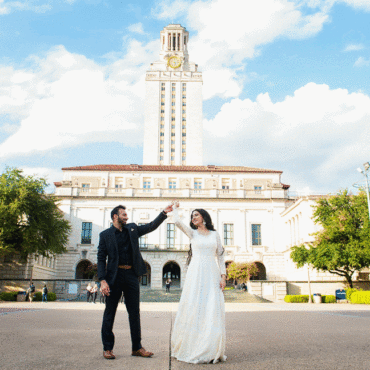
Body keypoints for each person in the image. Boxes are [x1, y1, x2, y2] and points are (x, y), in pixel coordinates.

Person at [98, 203, 173, 360]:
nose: (127, 217)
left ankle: (137, 348)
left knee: (134, 313)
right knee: (109, 312)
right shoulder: (105, 235)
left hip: (131, 275)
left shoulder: (132, 229)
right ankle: (107, 348)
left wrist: (164, 213)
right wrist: (102, 280)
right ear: (115, 217)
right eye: (123, 215)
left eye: (126, 215)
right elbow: (100, 258)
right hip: (114, 277)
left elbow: (151, 226)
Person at [170, 202, 227, 364]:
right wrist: (175, 209)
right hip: (196, 273)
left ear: (204, 217)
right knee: (195, 306)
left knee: (211, 307)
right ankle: (193, 346)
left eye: (196, 215)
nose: (193, 217)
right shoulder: (192, 233)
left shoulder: (215, 234)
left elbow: (221, 256)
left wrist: (223, 276)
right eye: (192, 216)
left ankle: (210, 347)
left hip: (212, 272)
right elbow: (177, 222)